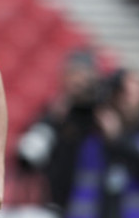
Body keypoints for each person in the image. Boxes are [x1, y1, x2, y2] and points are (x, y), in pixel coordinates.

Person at [17, 49, 103, 213]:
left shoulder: (101, 112)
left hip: (94, 202)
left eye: (83, 75)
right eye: (73, 74)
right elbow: (27, 157)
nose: (78, 81)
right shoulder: (56, 112)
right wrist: (52, 119)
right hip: (57, 200)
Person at [65, 68, 139, 218]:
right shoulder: (93, 138)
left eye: (136, 91)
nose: (126, 98)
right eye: (121, 92)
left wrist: (118, 139)